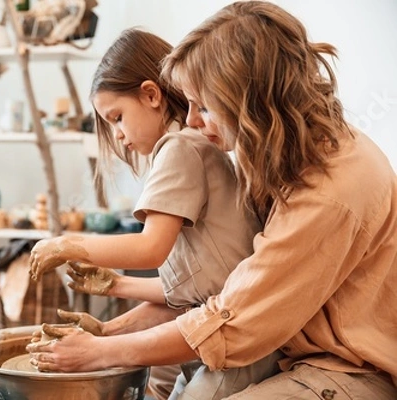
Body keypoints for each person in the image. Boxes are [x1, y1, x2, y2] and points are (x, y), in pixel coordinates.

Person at [26, 2, 397, 399]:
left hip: (344, 370)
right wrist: (111, 324)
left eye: (202, 105)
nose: (190, 121)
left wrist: (100, 351)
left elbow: (234, 320)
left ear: (248, 98)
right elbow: (214, 294)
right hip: (289, 350)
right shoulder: (283, 156)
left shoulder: (330, 190)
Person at [28, 27, 282, 399]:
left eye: (117, 117)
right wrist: (107, 323)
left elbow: (150, 249)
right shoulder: (192, 145)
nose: (117, 134)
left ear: (150, 95)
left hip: (238, 345)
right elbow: (187, 293)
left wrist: (67, 244)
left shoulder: (179, 147)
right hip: (215, 331)